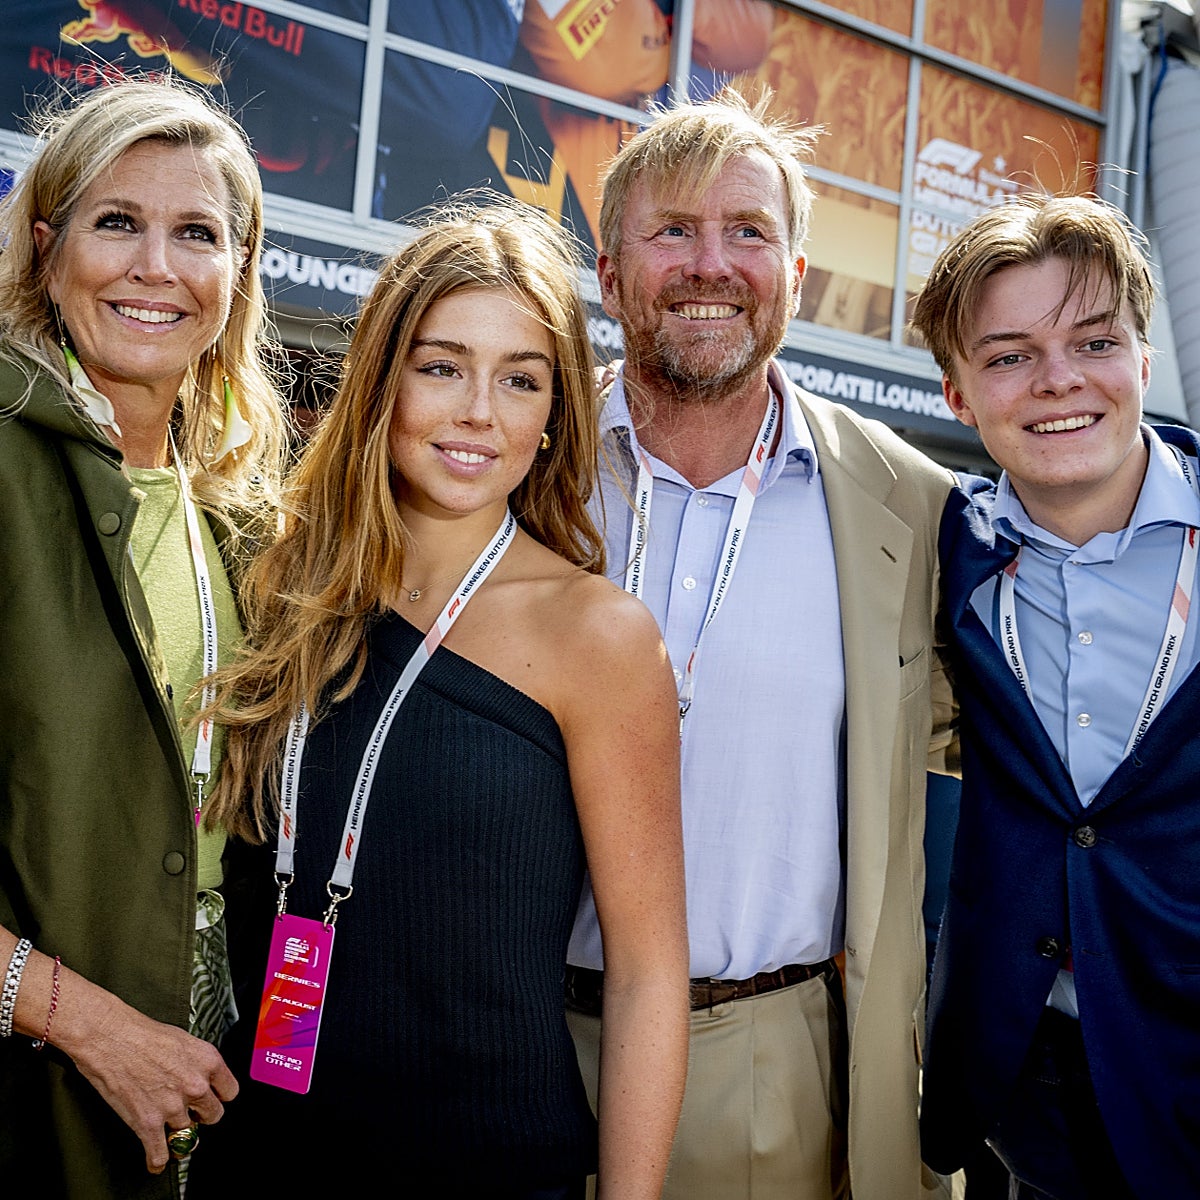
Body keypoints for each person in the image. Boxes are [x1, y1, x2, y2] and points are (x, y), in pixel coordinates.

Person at [188, 198, 689, 1198]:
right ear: (383, 382)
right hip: (261, 1152)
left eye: (521, 380)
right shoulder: (277, 581)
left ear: (553, 417)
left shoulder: (598, 635)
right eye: (442, 366)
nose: (478, 413)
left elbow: (644, 976)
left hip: (488, 1166)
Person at [563, 89, 958, 1200]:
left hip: (767, 1067)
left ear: (793, 275)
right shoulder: (513, 461)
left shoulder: (907, 505)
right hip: (512, 1038)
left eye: (748, 233)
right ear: (609, 270)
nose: (710, 264)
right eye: (673, 231)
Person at [0, 77, 288, 1198]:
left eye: (198, 234)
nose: (156, 266)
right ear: (45, 247)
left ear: (238, 275)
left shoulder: (248, 518)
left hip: (209, 1096)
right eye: (117, 221)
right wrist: (93, 1029)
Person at [912, 193, 1200, 1199]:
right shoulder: (946, 549)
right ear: (957, 394)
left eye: (1093, 340)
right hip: (1023, 1069)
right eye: (1008, 356)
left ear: (1143, 359)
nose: (1059, 380)